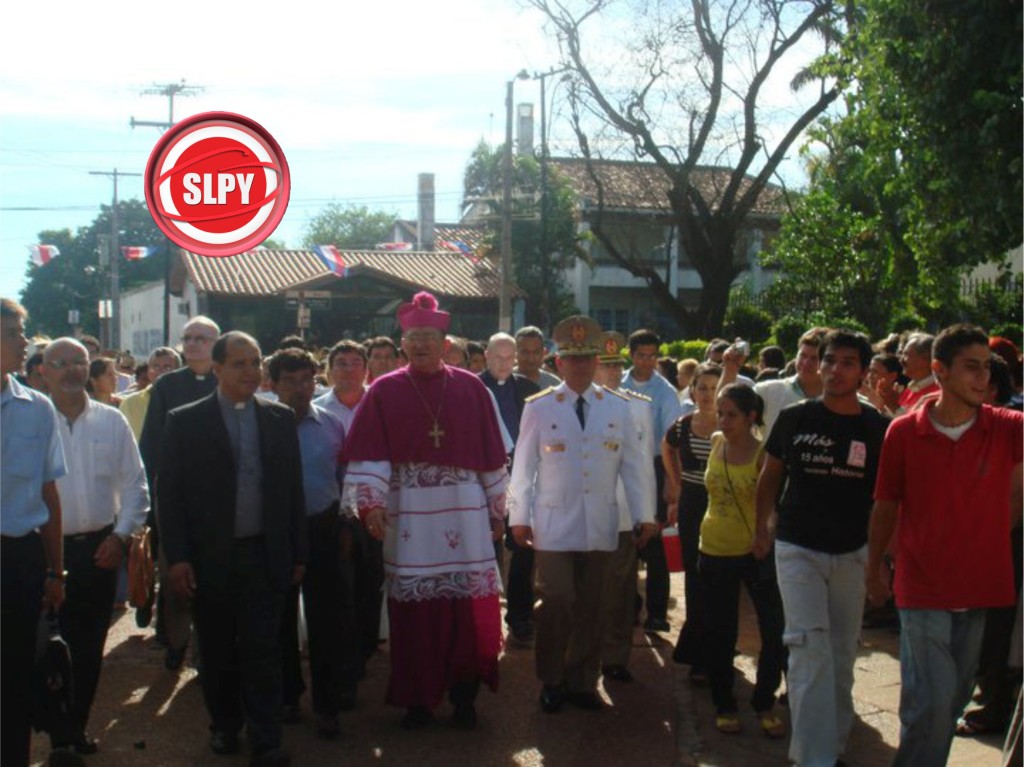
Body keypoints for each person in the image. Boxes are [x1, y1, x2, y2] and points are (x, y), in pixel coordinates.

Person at [340, 292, 509, 730]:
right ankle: (418, 699)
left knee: (467, 613)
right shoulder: (385, 390)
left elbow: (492, 453)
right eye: (413, 338)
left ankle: (464, 696)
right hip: (410, 516)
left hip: (464, 514)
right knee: (415, 619)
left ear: (444, 343)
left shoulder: (471, 387)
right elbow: (371, 454)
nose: (420, 346)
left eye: (428, 338)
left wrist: (497, 508)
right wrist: (372, 505)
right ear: (403, 344)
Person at [867, 323, 1024, 767]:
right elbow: (886, 505)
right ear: (940, 371)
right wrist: (873, 564)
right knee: (932, 701)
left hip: (981, 586)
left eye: (986, 369)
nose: (983, 378)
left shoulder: (1008, 427)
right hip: (922, 586)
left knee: (949, 701)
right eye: (971, 368)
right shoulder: (903, 431)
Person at [158, 331, 307, 766]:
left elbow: (292, 493)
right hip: (210, 558)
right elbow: (170, 496)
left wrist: (298, 551)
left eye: (256, 361)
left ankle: (266, 737)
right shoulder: (184, 421)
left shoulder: (279, 418)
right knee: (219, 650)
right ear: (217, 368)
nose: (249, 371)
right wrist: (179, 557)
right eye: (239, 363)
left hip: (265, 554)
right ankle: (224, 726)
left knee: (264, 649)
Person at [753, 329, 890, 766]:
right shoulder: (795, 418)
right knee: (808, 648)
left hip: (851, 552)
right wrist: (763, 524)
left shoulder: (877, 428)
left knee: (841, 653)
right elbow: (769, 475)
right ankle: (814, 757)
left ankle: (832, 743)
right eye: (830, 360)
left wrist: (882, 560)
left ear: (863, 372)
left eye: (848, 363)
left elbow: (888, 499)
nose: (834, 370)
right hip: (797, 548)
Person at [509, 316, 656, 714]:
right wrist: (518, 517)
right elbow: (523, 468)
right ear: (558, 363)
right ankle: (551, 678)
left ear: (596, 362)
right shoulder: (539, 408)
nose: (580, 366)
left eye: (587, 359)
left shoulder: (618, 407)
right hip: (553, 523)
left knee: (593, 605)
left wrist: (644, 514)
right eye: (572, 359)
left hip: (601, 522)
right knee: (556, 598)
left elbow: (634, 467)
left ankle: (580, 681)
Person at [41, 338, 150, 758]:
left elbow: (136, 485)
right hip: (42, 554)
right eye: (61, 363)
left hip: (98, 552)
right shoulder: (32, 420)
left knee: (87, 650)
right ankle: (55, 732)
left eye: (78, 362)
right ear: (44, 370)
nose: (70, 370)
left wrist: (119, 538)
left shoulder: (111, 421)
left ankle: (74, 729)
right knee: (44, 649)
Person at [268, 348, 350, 739]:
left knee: (326, 619)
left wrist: (345, 529)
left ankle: (327, 704)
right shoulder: (263, 425)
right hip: (276, 532)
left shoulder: (333, 425)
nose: (301, 389)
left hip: (323, 528)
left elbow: (344, 478)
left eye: (307, 380)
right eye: (291, 381)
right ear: (274, 384)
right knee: (280, 618)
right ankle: (287, 696)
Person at [696, 384, 785, 737]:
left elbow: (775, 504)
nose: (723, 420)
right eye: (721, 413)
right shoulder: (716, 442)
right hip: (713, 548)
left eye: (732, 414)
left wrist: (766, 533)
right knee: (720, 631)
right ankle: (724, 703)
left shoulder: (765, 454)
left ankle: (765, 700)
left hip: (754, 551)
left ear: (751, 417)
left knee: (773, 629)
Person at [1, 298, 67, 767]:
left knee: (14, 677)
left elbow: (49, 494)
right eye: (12, 333)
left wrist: (56, 571)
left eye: (22, 332)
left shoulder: (37, 408)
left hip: (18, 559)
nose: (24, 342)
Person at [139, 315, 220, 670]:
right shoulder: (167, 386)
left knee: (214, 580)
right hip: (176, 499)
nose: (193, 344)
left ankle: (207, 652)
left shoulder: (228, 379)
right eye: (188, 338)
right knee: (173, 577)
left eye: (201, 338)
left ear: (216, 343)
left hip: (219, 502)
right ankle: (175, 642)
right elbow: (152, 445)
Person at [314, 340, 383, 671]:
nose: (348, 368)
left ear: (366, 369)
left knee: (372, 583)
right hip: (332, 511)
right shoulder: (317, 410)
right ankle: (341, 657)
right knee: (338, 588)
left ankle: (366, 648)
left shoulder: (382, 403)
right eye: (340, 362)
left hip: (376, 511)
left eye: (355, 362)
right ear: (328, 370)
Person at [593, 330, 655, 683]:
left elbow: (643, 466)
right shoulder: (576, 404)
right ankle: (583, 654)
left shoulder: (638, 407)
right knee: (586, 591)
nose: (614, 374)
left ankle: (615, 657)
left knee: (619, 591)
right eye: (606, 366)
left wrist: (645, 514)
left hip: (622, 513)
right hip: (585, 513)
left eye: (618, 367)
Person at [478, 332, 540, 642]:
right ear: (486, 356)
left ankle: (520, 617)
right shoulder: (471, 387)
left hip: (519, 478)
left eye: (509, 357)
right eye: (497, 357)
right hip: (480, 481)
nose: (504, 363)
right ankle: (484, 618)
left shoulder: (530, 389)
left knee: (522, 548)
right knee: (483, 549)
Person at [663, 362, 722, 681]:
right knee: (695, 575)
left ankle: (715, 644)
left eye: (714, 388)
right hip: (691, 503)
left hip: (721, 504)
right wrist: (675, 482)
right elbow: (666, 446)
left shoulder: (730, 424)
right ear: (693, 390)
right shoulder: (683, 425)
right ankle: (698, 649)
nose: (708, 395)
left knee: (717, 575)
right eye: (702, 388)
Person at [622, 328, 683, 633]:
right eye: (641, 355)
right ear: (631, 355)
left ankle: (657, 612)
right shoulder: (616, 384)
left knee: (655, 543)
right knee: (626, 543)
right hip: (621, 471)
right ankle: (628, 605)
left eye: (653, 356)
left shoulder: (666, 392)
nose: (647, 362)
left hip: (655, 468)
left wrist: (672, 482)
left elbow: (672, 442)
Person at [720, 328, 828, 436]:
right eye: (803, 355)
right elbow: (724, 406)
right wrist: (730, 370)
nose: (806, 362)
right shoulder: (768, 391)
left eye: (815, 358)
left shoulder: (840, 400)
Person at [118, 347, 181, 441]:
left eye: (167, 367)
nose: (160, 372)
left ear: (178, 371)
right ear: (148, 371)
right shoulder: (130, 403)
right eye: (156, 367)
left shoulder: (187, 400)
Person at [896, 332, 939, 413]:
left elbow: (915, 424)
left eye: (906, 354)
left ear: (925, 358)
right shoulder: (911, 388)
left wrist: (893, 406)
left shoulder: (938, 394)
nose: (901, 360)